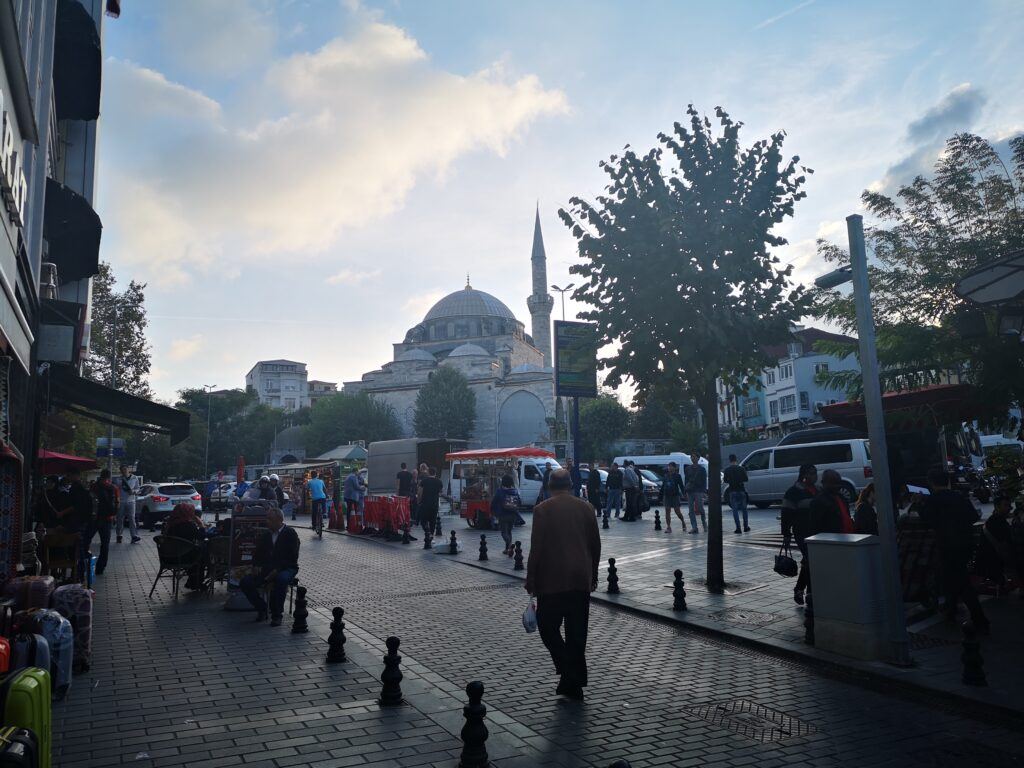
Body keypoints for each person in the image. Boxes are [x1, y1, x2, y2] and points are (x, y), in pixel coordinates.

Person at [525, 469, 601, 702]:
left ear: (550, 486)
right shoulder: (586, 507)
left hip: (552, 580)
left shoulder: (542, 510)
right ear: (570, 485)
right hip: (580, 578)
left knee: (548, 628)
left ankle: (569, 673)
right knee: (577, 633)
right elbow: (595, 544)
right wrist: (594, 573)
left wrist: (531, 579)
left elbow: (536, 547)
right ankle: (573, 683)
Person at [919, 470, 988, 630]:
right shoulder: (959, 497)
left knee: (959, 580)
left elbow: (926, 519)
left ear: (932, 483)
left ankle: (979, 619)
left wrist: (919, 503)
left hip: (946, 545)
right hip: (965, 544)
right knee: (953, 577)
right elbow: (973, 516)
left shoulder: (933, 500)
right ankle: (951, 610)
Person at [239, 507, 300, 627]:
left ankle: (277, 614)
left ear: (279, 520)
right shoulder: (267, 535)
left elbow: (292, 556)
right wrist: (256, 565)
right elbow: (258, 553)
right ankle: (262, 608)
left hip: (286, 567)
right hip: (268, 567)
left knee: (281, 579)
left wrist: (277, 570)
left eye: (270, 519)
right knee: (245, 582)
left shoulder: (290, 533)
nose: (267, 522)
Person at [782, 463, 818, 605]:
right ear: (804, 475)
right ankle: (807, 591)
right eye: (811, 473)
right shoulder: (793, 492)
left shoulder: (817, 490)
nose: (815, 476)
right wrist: (786, 533)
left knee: (809, 561)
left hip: (816, 532)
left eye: (816, 473)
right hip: (802, 532)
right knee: (810, 559)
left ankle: (801, 589)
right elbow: (786, 514)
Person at [88, 469, 117, 575]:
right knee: (105, 544)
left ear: (100, 476)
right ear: (109, 477)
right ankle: (100, 567)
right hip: (107, 519)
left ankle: (86, 562)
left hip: (94, 519)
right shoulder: (113, 488)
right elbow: (116, 504)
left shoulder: (94, 487)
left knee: (86, 540)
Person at [491, 474, 522, 555]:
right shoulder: (515, 491)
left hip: (503, 514)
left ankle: (509, 545)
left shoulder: (500, 491)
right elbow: (519, 502)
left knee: (504, 532)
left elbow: (494, 502)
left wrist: (493, 511)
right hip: (513, 515)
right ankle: (508, 549)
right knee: (509, 531)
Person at [723, 454, 750, 534]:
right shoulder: (741, 468)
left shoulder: (727, 470)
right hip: (741, 490)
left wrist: (731, 480)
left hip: (732, 491)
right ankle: (746, 527)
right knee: (744, 509)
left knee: (735, 510)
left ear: (729, 460)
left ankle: (738, 528)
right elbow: (746, 479)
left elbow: (725, 480)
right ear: (736, 459)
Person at [683, 452, 708, 534]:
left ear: (698, 458)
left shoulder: (702, 469)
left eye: (694, 457)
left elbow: (704, 481)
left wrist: (704, 491)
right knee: (691, 510)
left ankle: (704, 524)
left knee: (700, 509)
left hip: (699, 491)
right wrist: (685, 491)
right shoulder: (688, 469)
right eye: (691, 457)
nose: (692, 458)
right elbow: (686, 480)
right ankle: (694, 527)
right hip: (690, 491)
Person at [116, 464, 141, 544]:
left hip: (131, 501)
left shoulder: (134, 478)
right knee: (120, 519)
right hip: (121, 501)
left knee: (132, 519)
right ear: (121, 471)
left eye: (125, 469)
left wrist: (133, 492)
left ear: (128, 470)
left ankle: (134, 536)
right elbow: (116, 490)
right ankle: (119, 535)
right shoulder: (118, 479)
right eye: (122, 470)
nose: (124, 471)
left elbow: (138, 489)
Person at [417, 467, 444, 537]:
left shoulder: (424, 481)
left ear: (428, 472)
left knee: (423, 520)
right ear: (435, 473)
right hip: (434, 504)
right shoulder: (439, 482)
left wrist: (418, 501)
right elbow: (441, 492)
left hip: (425, 503)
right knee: (433, 521)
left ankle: (426, 531)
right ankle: (431, 535)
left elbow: (420, 492)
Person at [661, 462, 686, 533]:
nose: (670, 468)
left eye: (671, 466)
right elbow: (663, 486)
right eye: (669, 466)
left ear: (675, 468)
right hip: (667, 495)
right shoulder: (665, 476)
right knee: (667, 511)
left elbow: (681, 485)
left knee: (677, 511)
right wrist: (661, 496)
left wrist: (684, 494)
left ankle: (683, 522)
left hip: (675, 495)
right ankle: (668, 527)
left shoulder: (678, 476)